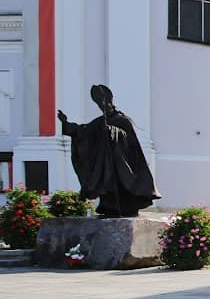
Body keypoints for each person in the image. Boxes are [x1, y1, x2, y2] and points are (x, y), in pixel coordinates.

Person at [58, 84, 160, 217]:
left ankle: (126, 207)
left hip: (122, 166)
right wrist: (66, 124)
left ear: (111, 102)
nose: (104, 106)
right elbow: (83, 131)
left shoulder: (123, 120)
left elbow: (129, 141)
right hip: (106, 166)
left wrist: (113, 132)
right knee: (107, 184)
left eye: (106, 103)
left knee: (121, 185)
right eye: (101, 105)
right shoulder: (100, 122)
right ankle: (109, 207)